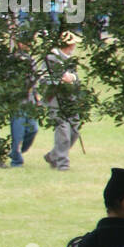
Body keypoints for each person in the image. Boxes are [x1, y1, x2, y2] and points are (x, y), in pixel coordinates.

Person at [43, 32, 82, 172]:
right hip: (56, 100)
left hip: (70, 100)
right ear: (69, 44)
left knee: (74, 131)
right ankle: (62, 163)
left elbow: (76, 77)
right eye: (73, 43)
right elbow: (44, 78)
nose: (74, 46)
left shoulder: (70, 60)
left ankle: (53, 155)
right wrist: (59, 80)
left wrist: (71, 77)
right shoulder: (50, 58)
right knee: (63, 133)